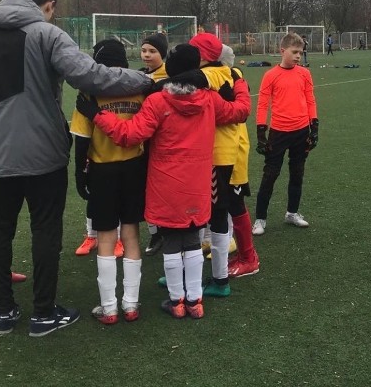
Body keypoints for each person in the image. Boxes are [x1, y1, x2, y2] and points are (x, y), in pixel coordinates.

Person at [0, 0, 152, 337]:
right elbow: (91, 75)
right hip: (44, 156)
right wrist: (144, 79)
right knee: (45, 230)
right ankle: (44, 314)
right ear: (48, 5)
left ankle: (4, 313)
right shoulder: (47, 34)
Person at [75, 43, 251, 319]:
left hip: (166, 183)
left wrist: (97, 115)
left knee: (170, 240)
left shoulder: (158, 101)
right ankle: (195, 301)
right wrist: (238, 81)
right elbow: (239, 111)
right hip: (198, 182)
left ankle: (176, 301)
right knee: (193, 238)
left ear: (169, 67)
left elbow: (129, 135)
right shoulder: (209, 100)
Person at [70, 39, 146, 325]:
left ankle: (109, 307)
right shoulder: (139, 88)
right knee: (131, 235)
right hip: (134, 168)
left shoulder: (89, 92)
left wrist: (79, 174)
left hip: (103, 171)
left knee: (105, 237)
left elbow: (82, 139)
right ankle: (131, 304)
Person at [190, 32, 250, 297]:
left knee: (216, 213)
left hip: (217, 154)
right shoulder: (229, 74)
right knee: (211, 211)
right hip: (216, 152)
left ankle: (220, 278)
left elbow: (191, 81)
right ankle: (201, 273)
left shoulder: (213, 75)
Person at [252, 33, 318, 235]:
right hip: (278, 133)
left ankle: (292, 213)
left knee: (297, 173)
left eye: (301, 52)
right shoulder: (270, 75)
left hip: (301, 132)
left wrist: (314, 127)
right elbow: (263, 104)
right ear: (283, 51)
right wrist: (261, 132)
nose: (298, 56)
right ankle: (260, 219)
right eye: (295, 52)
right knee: (270, 175)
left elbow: (310, 100)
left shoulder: (304, 74)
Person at [219, 44, 260, 278]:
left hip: (233, 151)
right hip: (225, 150)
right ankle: (237, 252)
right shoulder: (229, 77)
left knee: (235, 204)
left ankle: (249, 258)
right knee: (225, 205)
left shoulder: (230, 78)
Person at [139, 32, 169, 257]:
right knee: (144, 188)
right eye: (144, 50)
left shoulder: (169, 76)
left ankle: (169, 230)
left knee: (162, 188)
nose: (147, 55)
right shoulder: (138, 75)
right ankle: (155, 232)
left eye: (152, 51)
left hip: (164, 141)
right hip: (142, 139)